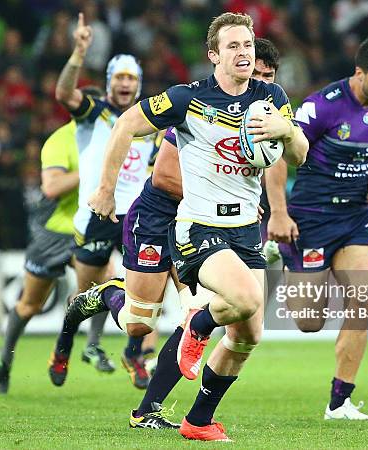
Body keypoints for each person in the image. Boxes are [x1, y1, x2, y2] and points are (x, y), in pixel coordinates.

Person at [89, 13, 308, 441]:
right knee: (243, 299)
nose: (243, 53)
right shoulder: (188, 99)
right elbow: (125, 125)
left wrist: (287, 129)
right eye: (233, 46)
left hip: (247, 231)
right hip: (198, 227)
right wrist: (105, 190)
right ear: (213, 55)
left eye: (247, 45)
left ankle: (198, 420)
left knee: (248, 336)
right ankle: (199, 326)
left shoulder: (272, 97)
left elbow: (299, 154)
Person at [266, 38, 368, 420]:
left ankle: (340, 402)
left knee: (363, 298)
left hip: (354, 217)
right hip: (311, 219)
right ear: (360, 73)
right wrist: (279, 213)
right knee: (308, 321)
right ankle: (285, 257)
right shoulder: (322, 105)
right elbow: (283, 152)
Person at [48, 13, 157, 389]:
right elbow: (64, 94)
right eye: (119, 77)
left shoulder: (149, 122)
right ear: (109, 81)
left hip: (134, 216)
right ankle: (63, 347)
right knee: (85, 294)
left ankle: (134, 353)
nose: (125, 84)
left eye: (131, 78)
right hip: (96, 213)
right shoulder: (94, 112)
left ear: (138, 84)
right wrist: (78, 53)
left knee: (143, 291)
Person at [0, 94, 85, 394]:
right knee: (29, 305)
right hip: (52, 236)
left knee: (105, 283)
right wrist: (93, 170)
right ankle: (4, 360)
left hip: (88, 232)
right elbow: (52, 187)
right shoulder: (60, 140)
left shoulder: (117, 138)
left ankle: (74, 349)